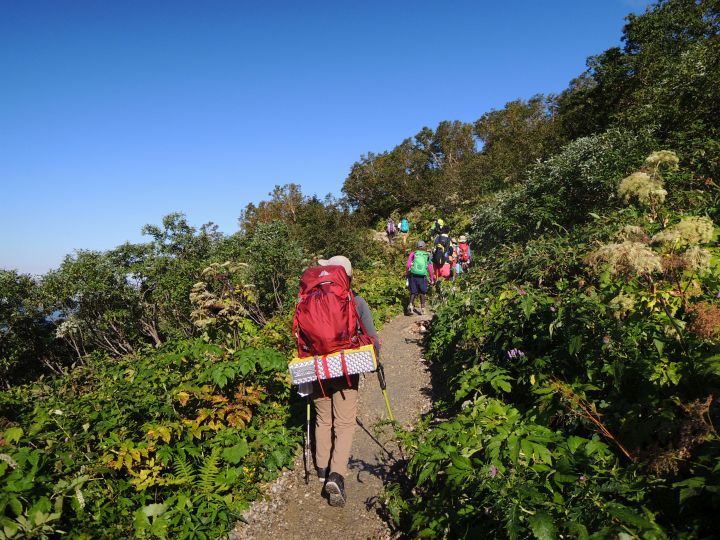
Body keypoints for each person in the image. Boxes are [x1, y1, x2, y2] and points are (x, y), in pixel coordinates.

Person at [311, 255, 380, 507]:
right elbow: (372, 337)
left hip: (317, 369)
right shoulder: (356, 301)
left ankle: (321, 469)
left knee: (322, 419)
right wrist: (375, 361)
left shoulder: (310, 300)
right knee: (344, 423)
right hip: (345, 369)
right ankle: (336, 475)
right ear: (349, 276)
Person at [405, 240, 434, 315]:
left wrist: (407, 273)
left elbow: (408, 265)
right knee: (422, 293)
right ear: (425, 247)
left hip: (413, 275)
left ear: (417, 247)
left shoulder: (413, 253)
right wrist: (432, 279)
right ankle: (423, 309)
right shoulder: (427, 255)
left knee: (413, 292)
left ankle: (410, 306)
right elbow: (430, 268)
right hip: (422, 277)